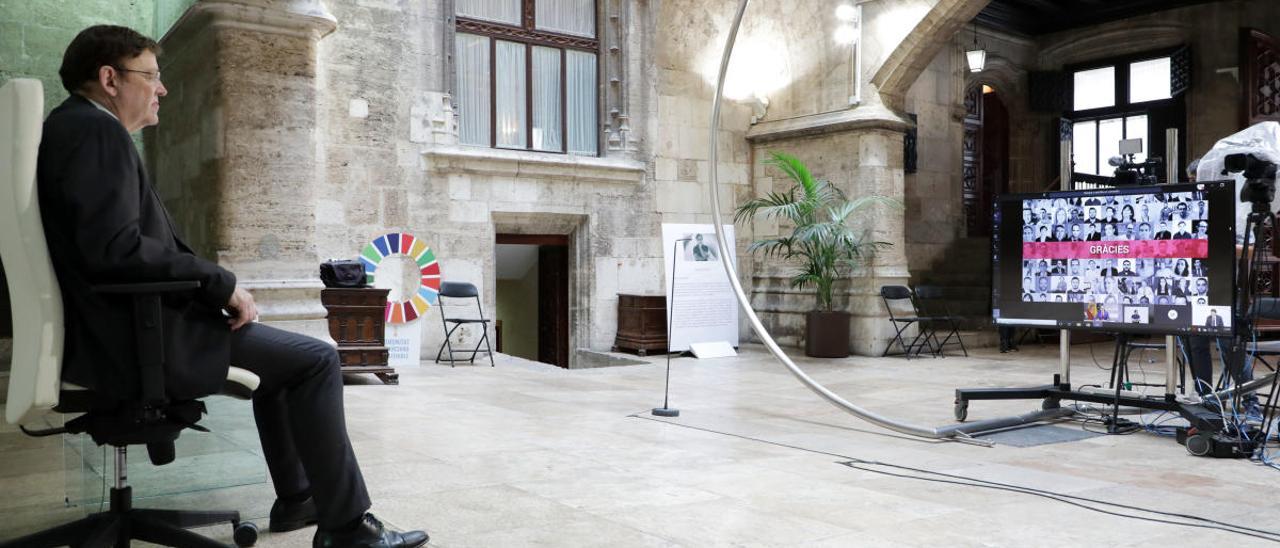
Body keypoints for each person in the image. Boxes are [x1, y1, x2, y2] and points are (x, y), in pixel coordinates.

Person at [37, 26, 428, 548]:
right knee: (317, 360)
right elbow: (115, 250)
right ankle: (349, 528)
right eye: (151, 75)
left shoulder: (71, 128)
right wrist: (219, 285)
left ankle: (300, 498)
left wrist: (207, 291)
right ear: (110, 78)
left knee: (285, 367)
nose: (162, 89)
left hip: (120, 331)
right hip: (138, 341)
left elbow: (111, 248)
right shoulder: (95, 130)